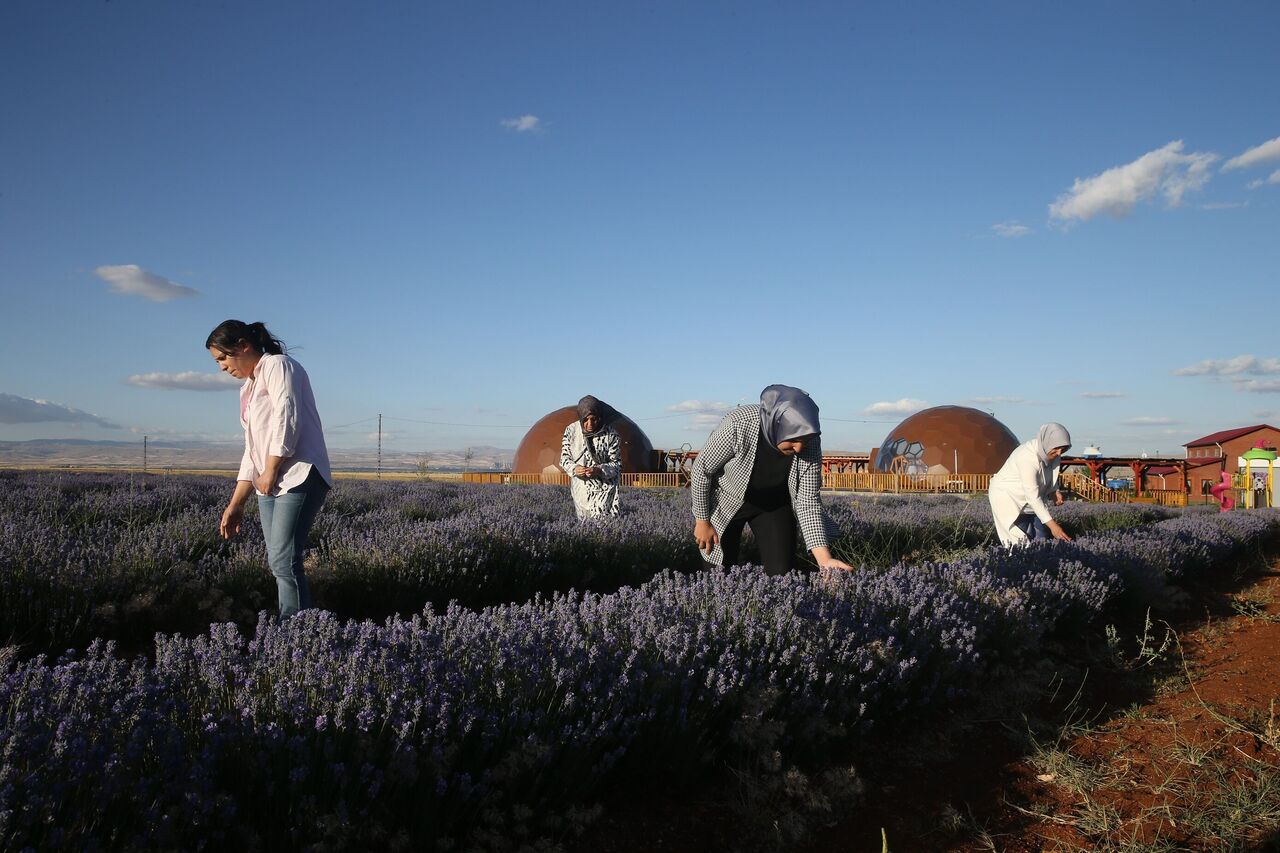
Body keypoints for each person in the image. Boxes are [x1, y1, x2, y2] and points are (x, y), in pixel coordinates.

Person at [207, 320, 332, 619]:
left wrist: (272, 467)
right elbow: (252, 451)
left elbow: (287, 416)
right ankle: (293, 629)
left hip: (298, 473)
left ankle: (297, 633)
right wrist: (236, 504)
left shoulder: (278, 365)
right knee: (279, 562)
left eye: (223, 358)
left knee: (285, 559)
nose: (222, 368)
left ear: (243, 346)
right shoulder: (247, 389)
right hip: (269, 480)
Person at [691, 385, 855, 574]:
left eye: (806, 440)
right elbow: (701, 470)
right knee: (717, 570)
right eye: (793, 439)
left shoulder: (810, 441)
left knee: (783, 572)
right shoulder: (740, 423)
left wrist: (825, 560)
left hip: (775, 505)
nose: (800, 448)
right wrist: (702, 521)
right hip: (727, 502)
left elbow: (808, 501)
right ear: (776, 426)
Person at [988, 423, 1073, 547]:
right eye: (1056, 448)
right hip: (1007, 497)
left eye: (1064, 449)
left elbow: (1051, 472)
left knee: (1041, 538)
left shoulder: (1052, 452)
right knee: (1020, 542)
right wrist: (1054, 526)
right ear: (1047, 442)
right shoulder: (1027, 456)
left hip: (1030, 500)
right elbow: (1032, 496)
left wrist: (1055, 491)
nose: (1059, 453)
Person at [560, 395, 622, 519]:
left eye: (594, 419)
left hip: (604, 488)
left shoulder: (610, 434)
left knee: (603, 525)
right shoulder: (572, 431)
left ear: (599, 417)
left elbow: (617, 464)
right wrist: (575, 468)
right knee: (584, 525)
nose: (590, 424)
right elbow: (564, 459)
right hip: (581, 489)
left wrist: (599, 470)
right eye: (586, 420)